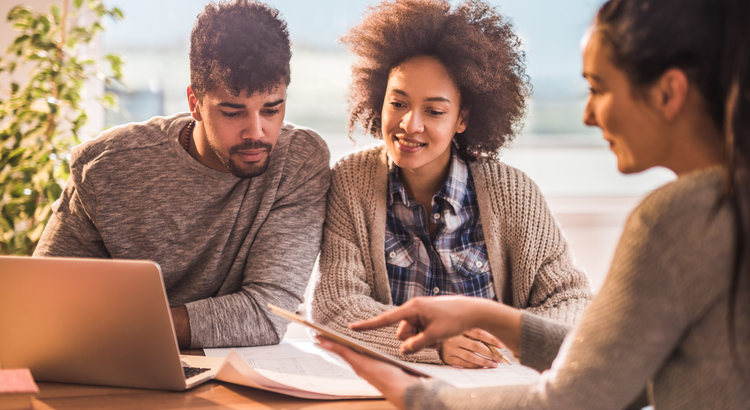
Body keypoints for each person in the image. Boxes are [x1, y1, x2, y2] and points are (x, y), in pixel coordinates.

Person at [317, 0, 750, 408]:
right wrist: (487, 321)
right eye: (398, 102)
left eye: (597, 88)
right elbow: (617, 372)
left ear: (667, 93)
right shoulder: (719, 204)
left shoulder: (673, 221)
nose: (587, 115)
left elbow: (575, 395)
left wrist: (418, 394)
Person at [33, 0, 331, 349]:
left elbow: (268, 314)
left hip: (222, 377)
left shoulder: (298, 162)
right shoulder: (107, 167)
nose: (257, 132)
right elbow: (44, 297)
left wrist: (126, 326)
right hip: (113, 359)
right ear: (194, 103)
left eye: (271, 109)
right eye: (233, 112)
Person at [309, 0, 592, 368]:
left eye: (435, 111)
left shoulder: (512, 194)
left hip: (493, 391)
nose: (410, 124)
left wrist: (494, 342)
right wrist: (433, 346)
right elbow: (336, 307)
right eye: (398, 103)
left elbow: (571, 301)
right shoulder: (352, 181)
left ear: (462, 118)